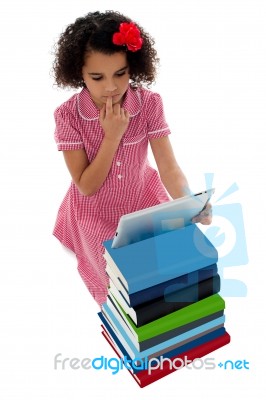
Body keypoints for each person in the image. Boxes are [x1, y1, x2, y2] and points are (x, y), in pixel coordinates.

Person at [52, 10, 212, 307]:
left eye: (120, 74)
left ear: (133, 68)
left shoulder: (149, 104)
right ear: (79, 73)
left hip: (143, 197)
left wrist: (190, 201)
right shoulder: (67, 115)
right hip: (94, 208)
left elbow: (168, 166)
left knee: (175, 264)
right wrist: (112, 136)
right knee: (120, 283)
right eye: (96, 77)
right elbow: (87, 185)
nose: (110, 87)